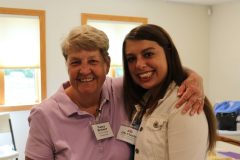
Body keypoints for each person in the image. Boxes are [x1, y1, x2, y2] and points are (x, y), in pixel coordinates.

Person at [25, 25, 205, 160]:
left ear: (107, 64)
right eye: (76, 62)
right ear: (67, 66)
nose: (85, 70)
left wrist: (191, 76)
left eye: (93, 61)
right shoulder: (45, 116)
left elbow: (151, 73)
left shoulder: (120, 91)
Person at [122, 24, 217, 160]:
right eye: (131, 59)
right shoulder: (145, 99)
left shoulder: (185, 103)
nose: (139, 65)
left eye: (148, 54)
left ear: (168, 53)